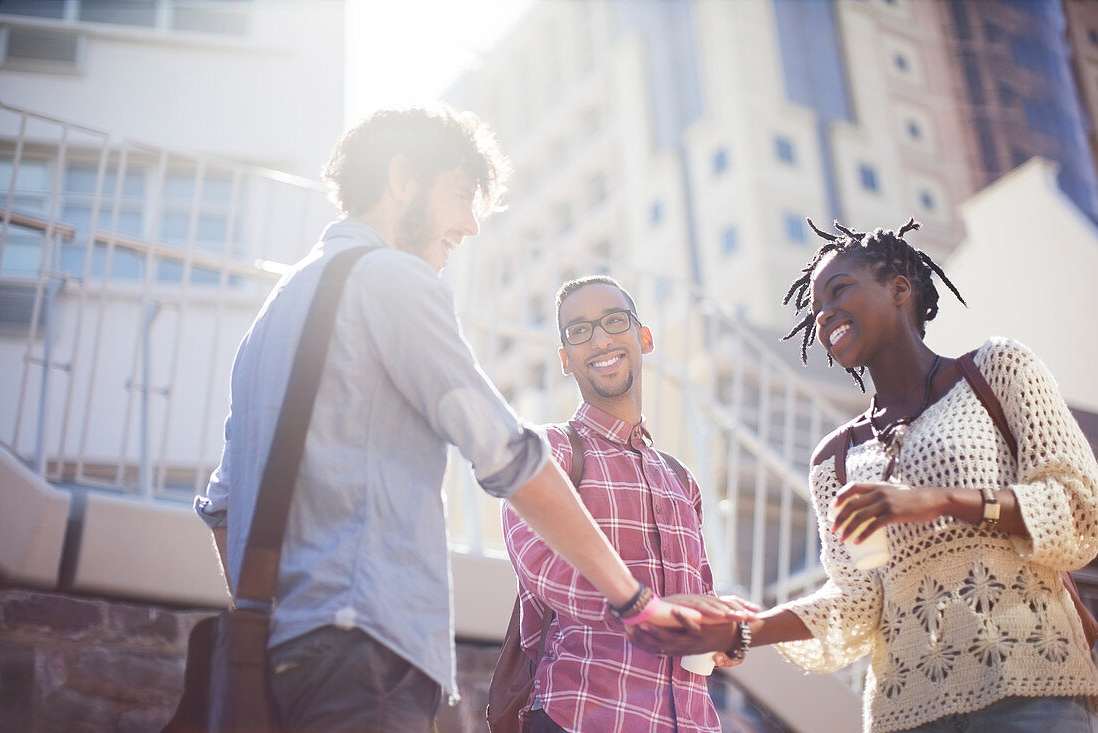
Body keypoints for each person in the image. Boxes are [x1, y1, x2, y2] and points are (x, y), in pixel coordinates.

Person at [193, 107, 729, 733]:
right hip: (366, 655)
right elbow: (508, 457)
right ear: (402, 179)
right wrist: (636, 602)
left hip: (281, 657)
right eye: (458, 196)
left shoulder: (275, 313)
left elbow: (224, 510)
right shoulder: (393, 278)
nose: (471, 225)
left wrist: (286, 624)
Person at [633, 219, 1098, 732]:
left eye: (840, 290)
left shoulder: (995, 370)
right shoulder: (835, 457)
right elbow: (857, 600)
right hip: (908, 711)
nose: (825, 313)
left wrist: (943, 502)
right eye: (816, 309)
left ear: (899, 288)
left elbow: (1077, 506)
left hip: (1031, 688)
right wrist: (746, 630)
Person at [502, 276, 744, 732]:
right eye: (579, 330)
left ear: (644, 337)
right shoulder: (547, 451)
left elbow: (702, 597)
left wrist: (727, 634)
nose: (600, 339)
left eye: (614, 321)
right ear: (565, 359)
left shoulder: (680, 480)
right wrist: (650, 610)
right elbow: (542, 568)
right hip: (579, 716)